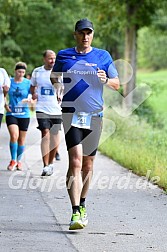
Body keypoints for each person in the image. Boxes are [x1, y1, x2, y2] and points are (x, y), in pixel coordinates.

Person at [50, 18, 120, 230]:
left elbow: (117, 84)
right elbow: (55, 75)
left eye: (89, 33)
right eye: (82, 32)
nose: (85, 36)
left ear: (92, 35)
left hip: (95, 115)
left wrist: (105, 80)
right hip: (71, 114)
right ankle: (74, 212)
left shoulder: (103, 56)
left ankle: (82, 204)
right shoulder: (63, 55)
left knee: (88, 164)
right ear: (76, 34)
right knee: (76, 161)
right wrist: (58, 87)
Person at [30, 50, 62, 176]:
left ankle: (51, 163)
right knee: (45, 134)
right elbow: (32, 86)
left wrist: (60, 95)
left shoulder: (60, 72)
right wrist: (33, 94)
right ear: (44, 59)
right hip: (42, 108)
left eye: (54, 58)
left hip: (56, 109)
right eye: (50, 58)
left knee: (55, 138)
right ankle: (45, 165)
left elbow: (64, 87)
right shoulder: (37, 72)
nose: (52, 61)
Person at [5, 62, 32, 171]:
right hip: (11, 113)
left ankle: (19, 161)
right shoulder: (9, 82)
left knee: (21, 140)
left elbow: (32, 95)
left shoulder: (27, 83)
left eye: (23, 72)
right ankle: (13, 160)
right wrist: (5, 105)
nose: (21, 74)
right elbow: (3, 94)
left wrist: (29, 99)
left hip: (24, 114)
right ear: (15, 71)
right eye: (19, 72)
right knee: (14, 136)